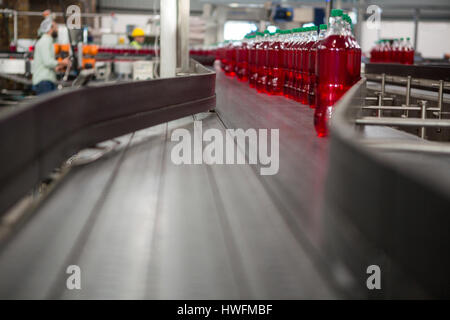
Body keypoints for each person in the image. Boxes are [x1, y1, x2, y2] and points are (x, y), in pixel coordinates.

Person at [32, 18, 69, 95]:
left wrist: (58, 66)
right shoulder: (45, 41)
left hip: (46, 81)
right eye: (56, 27)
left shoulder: (47, 41)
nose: (57, 30)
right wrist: (63, 62)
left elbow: (45, 63)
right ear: (50, 29)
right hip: (44, 82)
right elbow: (47, 62)